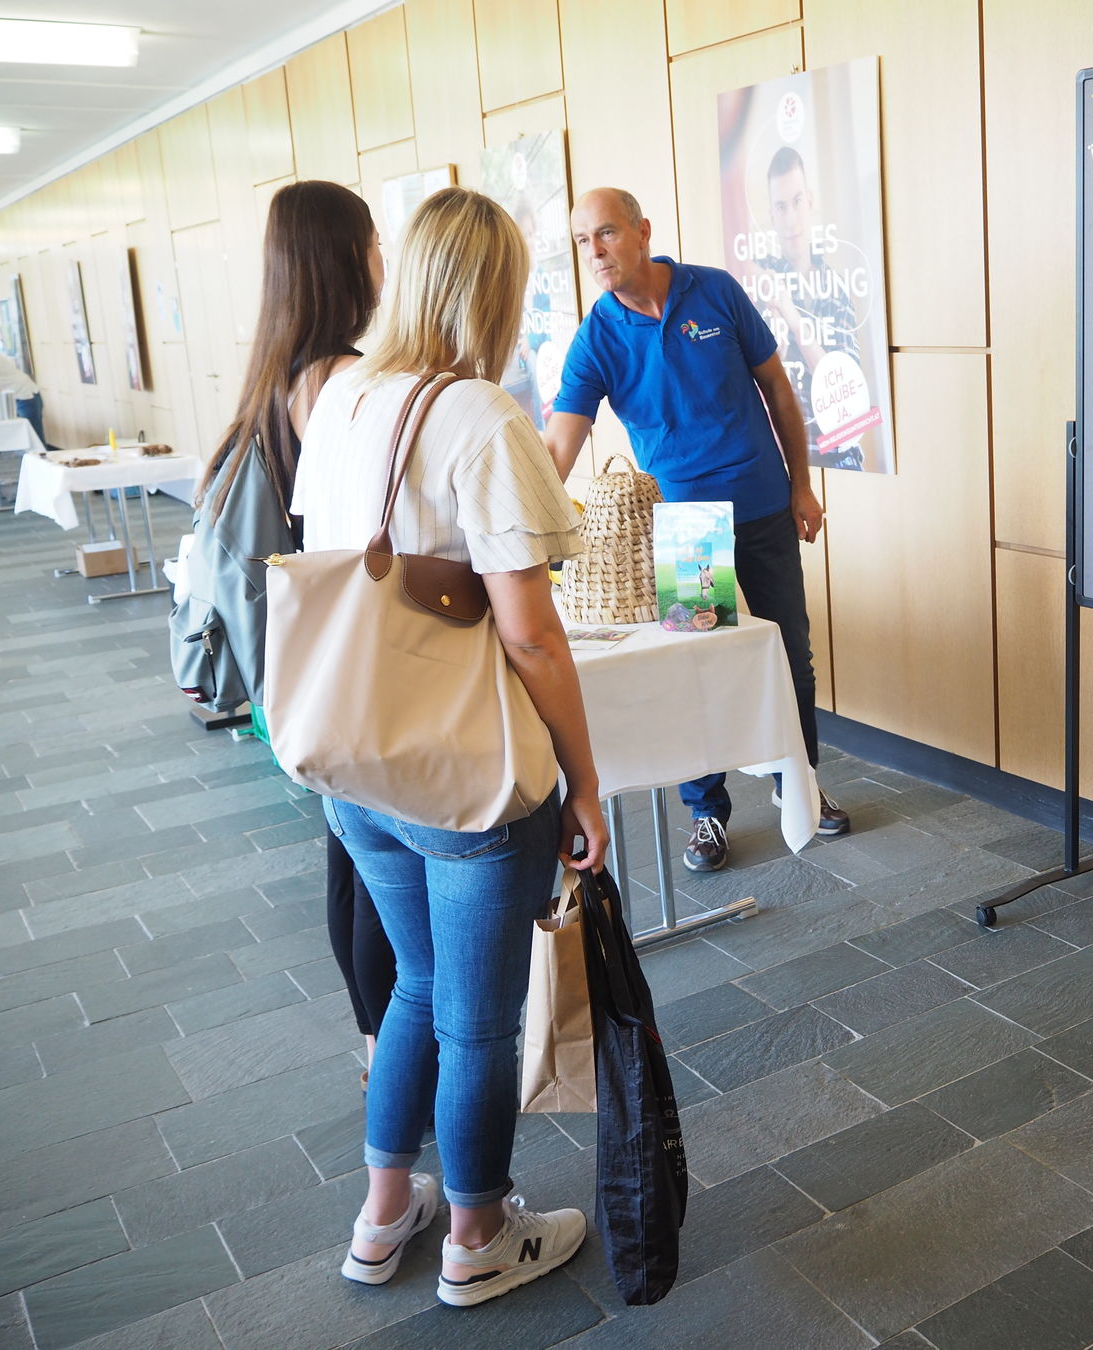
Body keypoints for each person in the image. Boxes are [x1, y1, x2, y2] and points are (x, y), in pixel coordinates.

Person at [294, 187, 608, 1307]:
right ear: (500, 291)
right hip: (461, 778)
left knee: (418, 986)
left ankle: (385, 1216)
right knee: (480, 1015)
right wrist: (586, 779)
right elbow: (527, 631)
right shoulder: (482, 419)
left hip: (350, 757)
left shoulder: (334, 400)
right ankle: (478, 1235)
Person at [544, 186, 851, 873]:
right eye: (582, 241)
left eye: (606, 234)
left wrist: (802, 483)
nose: (593, 252)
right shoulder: (596, 338)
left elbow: (777, 389)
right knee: (696, 666)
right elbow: (558, 447)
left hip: (764, 502)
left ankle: (797, 786)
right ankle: (707, 813)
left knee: (787, 656)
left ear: (642, 230)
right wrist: (522, 519)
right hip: (684, 528)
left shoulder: (714, 293)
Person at [199, 180, 396, 1096]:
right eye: (371, 241)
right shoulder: (341, 381)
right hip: (351, 662)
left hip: (299, 670)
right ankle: (389, 1052)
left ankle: (373, 1045)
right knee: (377, 872)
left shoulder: (275, 379)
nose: (381, 258)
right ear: (344, 260)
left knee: (349, 860)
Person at [757, 146, 865, 471]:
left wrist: (793, 319)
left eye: (796, 202)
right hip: (783, 462)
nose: (790, 219)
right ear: (771, 215)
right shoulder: (757, 283)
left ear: (810, 201)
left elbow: (846, 392)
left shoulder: (837, 290)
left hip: (839, 458)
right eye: (780, 206)